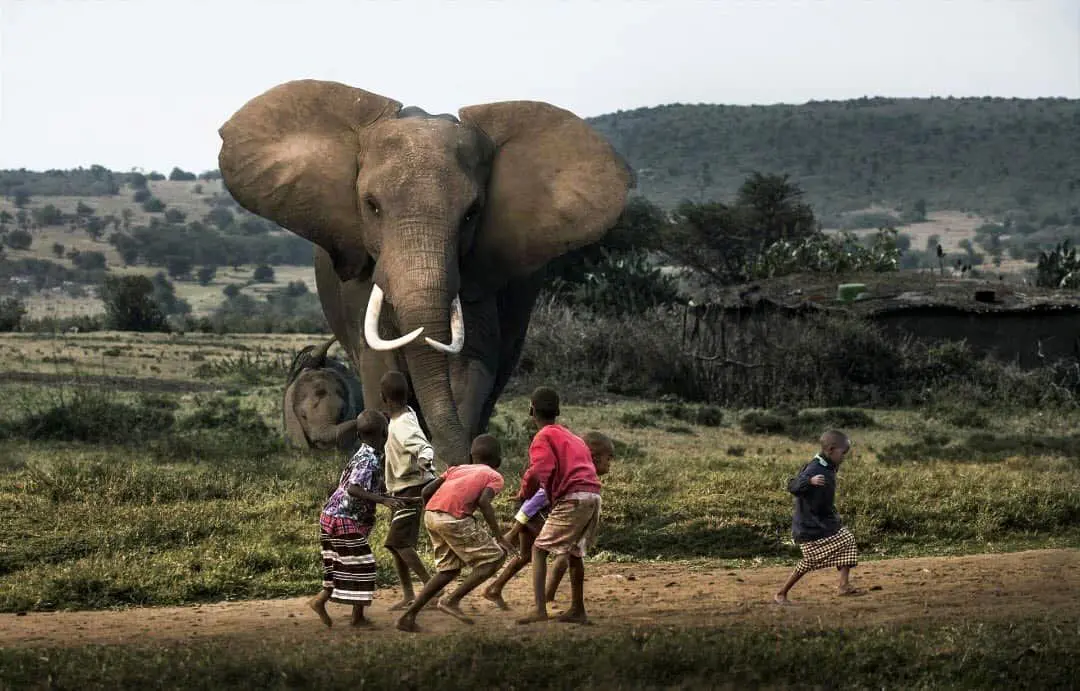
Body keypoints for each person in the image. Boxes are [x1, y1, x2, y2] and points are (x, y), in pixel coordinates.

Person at [396, 434, 516, 632]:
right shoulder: (494, 476)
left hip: (431, 515)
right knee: (495, 558)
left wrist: (434, 513)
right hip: (453, 519)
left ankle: (407, 617)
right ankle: (452, 600)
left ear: (471, 456)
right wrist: (500, 536)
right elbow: (484, 502)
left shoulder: (456, 469)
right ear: (498, 461)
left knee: (448, 570)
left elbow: (426, 492)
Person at [483, 430, 614, 609]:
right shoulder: (570, 473)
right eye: (609, 458)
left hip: (537, 512)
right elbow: (535, 499)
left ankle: (496, 588)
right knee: (560, 553)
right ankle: (546, 597)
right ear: (594, 457)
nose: (610, 463)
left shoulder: (578, 473)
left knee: (529, 555)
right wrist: (513, 531)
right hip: (530, 514)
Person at [309, 410, 408, 628]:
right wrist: (383, 501)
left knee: (338, 563)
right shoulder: (369, 460)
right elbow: (354, 488)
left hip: (331, 516)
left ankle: (320, 601)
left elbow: (365, 484)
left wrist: (387, 495)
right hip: (344, 519)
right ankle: (357, 618)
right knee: (364, 566)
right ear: (385, 433)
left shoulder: (364, 453)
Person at [517, 387, 603, 625]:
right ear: (558, 411)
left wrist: (524, 492)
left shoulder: (542, 437)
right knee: (575, 553)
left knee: (538, 549)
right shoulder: (573, 437)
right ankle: (577, 609)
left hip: (573, 497)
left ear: (531, 410)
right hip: (593, 496)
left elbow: (540, 470)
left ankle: (539, 609)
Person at [774, 429, 861, 605]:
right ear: (830, 449)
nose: (844, 457)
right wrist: (809, 481)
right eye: (842, 453)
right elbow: (792, 486)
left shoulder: (828, 466)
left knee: (848, 540)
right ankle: (781, 593)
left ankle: (844, 585)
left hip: (824, 522)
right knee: (809, 561)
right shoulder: (814, 468)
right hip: (809, 526)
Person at [380, 371, 436, 611]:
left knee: (400, 543)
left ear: (384, 397)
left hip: (411, 490)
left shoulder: (402, 425)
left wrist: (425, 462)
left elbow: (423, 445)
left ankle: (432, 590)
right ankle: (408, 594)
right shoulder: (405, 415)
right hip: (401, 490)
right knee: (396, 544)